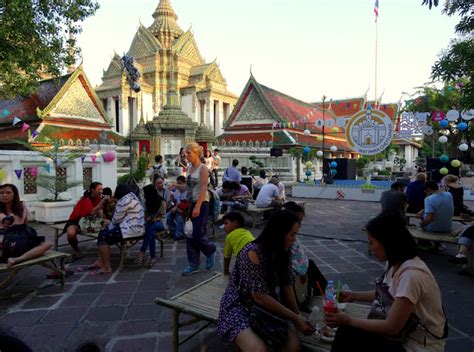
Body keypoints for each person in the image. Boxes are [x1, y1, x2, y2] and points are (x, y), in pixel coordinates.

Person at [326, 213, 447, 352]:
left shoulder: (412, 276)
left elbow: (392, 327)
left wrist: (348, 320)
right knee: (349, 333)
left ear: (388, 242)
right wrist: (352, 295)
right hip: (402, 336)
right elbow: (388, 292)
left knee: (347, 332)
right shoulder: (395, 263)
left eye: (372, 242)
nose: (370, 247)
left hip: (415, 345)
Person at [217, 210, 315, 350]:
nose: (294, 239)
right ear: (278, 233)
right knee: (259, 349)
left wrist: (297, 316)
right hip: (240, 305)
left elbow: (287, 284)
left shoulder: (284, 252)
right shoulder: (252, 252)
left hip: (269, 304)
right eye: (292, 234)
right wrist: (295, 318)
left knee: (293, 347)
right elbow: (259, 297)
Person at [82, 184, 145, 274]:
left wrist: (109, 223)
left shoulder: (124, 201)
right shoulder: (133, 198)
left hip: (131, 230)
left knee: (103, 237)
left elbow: (116, 220)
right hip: (138, 228)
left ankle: (106, 267)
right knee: (103, 232)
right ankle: (100, 262)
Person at [181, 142, 216, 276]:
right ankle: (193, 264)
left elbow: (203, 189)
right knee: (189, 234)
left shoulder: (203, 168)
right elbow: (190, 187)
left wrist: (197, 206)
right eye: (186, 152)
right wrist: (177, 187)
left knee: (197, 234)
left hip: (201, 203)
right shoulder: (189, 167)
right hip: (190, 204)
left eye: (188, 153)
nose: (186, 155)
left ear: (196, 153)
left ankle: (210, 249)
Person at [283, 202, 327, 303]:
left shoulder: (291, 235)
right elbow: (288, 264)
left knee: (320, 281)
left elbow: (297, 254)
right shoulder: (282, 239)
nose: (300, 224)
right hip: (298, 271)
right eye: (298, 220)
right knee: (311, 287)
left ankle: (321, 291)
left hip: (304, 264)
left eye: (301, 221)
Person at [0, 184, 51, 267]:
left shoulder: (21, 206)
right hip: (4, 238)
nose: (4, 195)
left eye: (8, 192)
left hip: (20, 235)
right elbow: (4, 220)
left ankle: (18, 259)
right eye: (1, 193)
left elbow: (24, 223)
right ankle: (13, 257)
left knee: (47, 244)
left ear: (14, 194)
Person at [64, 182, 105, 261]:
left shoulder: (98, 197)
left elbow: (100, 210)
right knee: (71, 234)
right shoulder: (86, 199)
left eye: (102, 189)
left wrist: (102, 220)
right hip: (76, 221)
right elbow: (92, 212)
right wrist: (101, 204)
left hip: (88, 220)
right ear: (92, 190)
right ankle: (77, 251)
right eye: (99, 189)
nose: (101, 191)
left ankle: (104, 249)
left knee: (107, 224)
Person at [136, 180, 166, 268]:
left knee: (150, 227)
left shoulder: (161, 202)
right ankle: (152, 257)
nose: (144, 195)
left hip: (160, 222)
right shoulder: (147, 202)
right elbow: (145, 215)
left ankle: (142, 251)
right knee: (151, 230)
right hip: (150, 223)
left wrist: (154, 219)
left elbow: (162, 215)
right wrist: (148, 218)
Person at [222, 211, 254, 276]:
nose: (224, 227)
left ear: (235, 223)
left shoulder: (229, 236)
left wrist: (226, 271)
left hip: (245, 262)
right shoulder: (247, 232)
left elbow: (227, 256)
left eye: (226, 223)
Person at [167, 176, 187, 240]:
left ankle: (179, 234)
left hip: (185, 210)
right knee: (168, 217)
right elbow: (175, 201)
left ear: (184, 183)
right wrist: (173, 198)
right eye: (177, 183)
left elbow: (185, 203)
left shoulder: (187, 191)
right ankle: (174, 231)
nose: (178, 185)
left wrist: (175, 207)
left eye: (180, 183)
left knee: (179, 216)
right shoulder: (177, 191)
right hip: (177, 208)